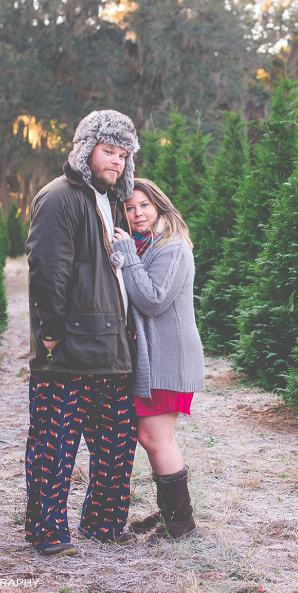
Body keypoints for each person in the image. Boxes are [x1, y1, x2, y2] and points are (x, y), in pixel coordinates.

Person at [24, 110, 140, 557]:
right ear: (86, 149)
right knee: (54, 445)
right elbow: (46, 269)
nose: (116, 161)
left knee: (116, 441)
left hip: (110, 349)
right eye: (108, 150)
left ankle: (105, 524)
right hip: (67, 349)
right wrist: (49, 335)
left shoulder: (109, 202)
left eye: (122, 154)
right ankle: (48, 532)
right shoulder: (60, 197)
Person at [109, 178, 205, 541]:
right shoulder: (143, 245)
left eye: (144, 206)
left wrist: (127, 256)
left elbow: (152, 300)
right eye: (130, 209)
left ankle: (182, 526)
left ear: (159, 206)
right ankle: (173, 516)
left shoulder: (172, 247)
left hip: (170, 359)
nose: (137, 214)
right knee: (153, 437)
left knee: (155, 438)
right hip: (154, 358)